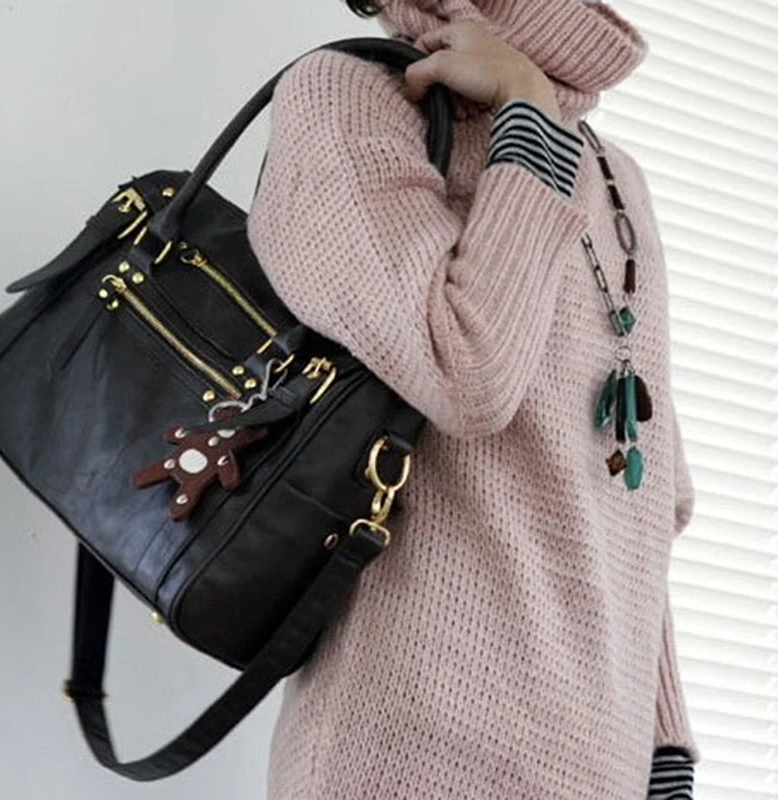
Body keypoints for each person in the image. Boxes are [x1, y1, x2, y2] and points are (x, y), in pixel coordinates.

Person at [246, 0, 699, 797]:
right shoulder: (349, 97)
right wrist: (529, 115)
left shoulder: (617, 176)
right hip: (409, 758)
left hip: (598, 771)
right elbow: (467, 371)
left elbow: (642, 500)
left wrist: (666, 754)